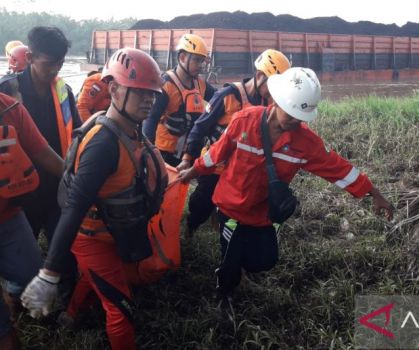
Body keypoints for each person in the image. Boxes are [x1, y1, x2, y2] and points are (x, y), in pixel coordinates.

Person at [177, 67, 394, 307]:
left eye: (300, 118)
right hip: (231, 208)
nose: (295, 122)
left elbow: (338, 168)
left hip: (263, 214)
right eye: (291, 114)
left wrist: (373, 192)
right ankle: (224, 293)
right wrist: (192, 170)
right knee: (230, 256)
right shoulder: (243, 121)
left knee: (264, 261)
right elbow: (215, 154)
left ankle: (241, 268)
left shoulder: (306, 143)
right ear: (277, 101)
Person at [21, 48, 167, 350]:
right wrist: (49, 272)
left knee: (93, 278)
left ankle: (71, 316)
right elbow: (73, 207)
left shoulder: (131, 129)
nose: (149, 101)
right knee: (121, 308)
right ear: (114, 89)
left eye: (152, 94)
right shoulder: (103, 143)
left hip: (111, 233)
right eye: (140, 93)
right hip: (91, 239)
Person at [178, 49, 291, 237]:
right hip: (215, 162)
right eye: (274, 85)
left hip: (240, 168)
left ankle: (220, 225)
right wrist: (187, 157)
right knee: (202, 201)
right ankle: (190, 227)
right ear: (260, 76)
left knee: (233, 205)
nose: (276, 92)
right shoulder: (227, 95)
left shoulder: (269, 103)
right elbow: (200, 127)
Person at [0, 26, 82, 242]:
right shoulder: (7, 93)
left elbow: (77, 134)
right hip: (19, 191)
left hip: (57, 184)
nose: (55, 69)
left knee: (64, 255)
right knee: (23, 257)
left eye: (60, 63)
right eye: (49, 64)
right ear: (29, 58)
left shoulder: (65, 92)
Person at [0, 92, 63, 350]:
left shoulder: (9, 108)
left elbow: (43, 152)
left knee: (30, 272)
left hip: (8, 215)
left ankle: (10, 296)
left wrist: (80, 183)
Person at [143, 33, 216, 166]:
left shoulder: (200, 85)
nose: (200, 65)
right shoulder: (166, 85)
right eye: (196, 60)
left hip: (188, 153)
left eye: (202, 61)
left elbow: (219, 98)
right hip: (165, 153)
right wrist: (149, 154)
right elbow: (151, 120)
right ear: (182, 57)